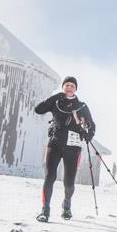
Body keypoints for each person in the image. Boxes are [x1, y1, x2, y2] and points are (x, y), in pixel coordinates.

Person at [34, 76, 95, 222]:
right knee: (50, 177)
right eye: (67, 85)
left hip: (73, 148)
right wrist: (55, 96)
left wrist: (89, 135)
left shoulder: (82, 106)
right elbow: (38, 110)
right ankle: (45, 210)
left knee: (69, 182)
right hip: (54, 144)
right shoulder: (56, 103)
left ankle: (67, 205)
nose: (69, 87)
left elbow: (92, 125)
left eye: (72, 86)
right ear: (63, 87)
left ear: (76, 89)